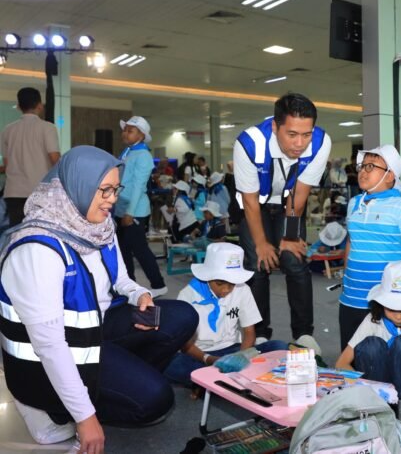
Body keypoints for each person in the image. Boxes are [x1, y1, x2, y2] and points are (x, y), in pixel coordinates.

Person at [0, 146, 198, 453]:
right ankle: (61, 411)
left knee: (183, 316)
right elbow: (49, 345)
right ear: (77, 185)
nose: (113, 199)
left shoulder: (99, 227)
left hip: (95, 330)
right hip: (50, 359)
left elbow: (120, 279)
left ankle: (117, 385)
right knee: (156, 399)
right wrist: (85, 418)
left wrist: (139, 294)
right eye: (104, 189)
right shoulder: (38, 249)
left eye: (116, 189)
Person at [234, 93, 331, 352]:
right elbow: (250, 201)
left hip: (289, 203)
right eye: (292, 134)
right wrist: (262, 244)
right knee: (257, 262)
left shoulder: (320, 142)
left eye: (306, 134)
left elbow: (300, 193)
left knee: (294, 259)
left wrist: (288, 237)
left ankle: (304, 333)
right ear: (276, 127)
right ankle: (259, 333)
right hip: (256, 205)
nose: (300, 143)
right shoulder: (249, 143)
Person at [336, 260, 401, 441]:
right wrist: (365, 390)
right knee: (372, 345)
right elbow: (342, 363)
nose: (399, 315)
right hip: (375, 391)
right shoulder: (373, 320)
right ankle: (379, 408)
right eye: (391, 307)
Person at [163, 243, 286, 391]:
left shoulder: (242, 289)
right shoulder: (187, 295)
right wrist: (208, 359)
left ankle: (209, 383)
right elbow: (185, 344)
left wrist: (240, 357)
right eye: (220, 283)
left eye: (231, 284)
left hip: (233, 349)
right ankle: (224, 381)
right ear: (208, 276)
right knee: (167, 365)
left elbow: (249, 331)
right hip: (199, 355)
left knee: (278, 347)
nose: (226, 289)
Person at [340, 144, 401, 350]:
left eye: (371, 166)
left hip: (389, 299)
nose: (363, 171)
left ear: (390, 176)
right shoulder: (354, 203)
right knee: (350, 355)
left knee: (383, 355)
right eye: (362, 166)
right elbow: (351, 242)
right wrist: (345, 277)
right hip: (351, 297)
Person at [115, 116, 168, 297]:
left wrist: (130, 213)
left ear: (141, 135)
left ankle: (158, 285)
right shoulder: (128, 151)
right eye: (125, 130)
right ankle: (128, 285)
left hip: (134, 210)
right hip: (122, 207)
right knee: (123, 250)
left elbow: (138, 186)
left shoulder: (143, 155)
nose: (125, 133)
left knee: (140, 250)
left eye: (130, 131)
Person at [1, 87, 60, 225]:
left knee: (18, 231)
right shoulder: (48, 128)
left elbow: (7, 163)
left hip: (14, 192)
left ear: (19, 107)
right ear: (40, 105)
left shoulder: (8, 130)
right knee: (40, 229)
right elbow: (55, 159)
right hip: (40, 191)